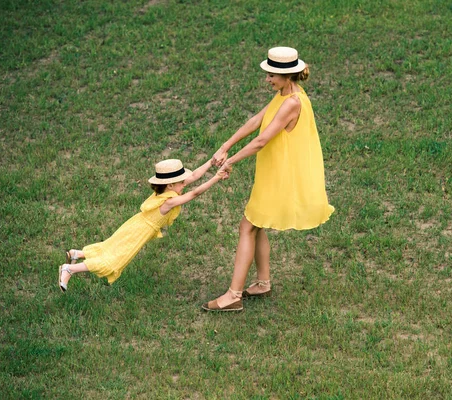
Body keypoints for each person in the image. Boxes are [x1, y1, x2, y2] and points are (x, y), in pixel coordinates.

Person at [202, 46, 335, 312]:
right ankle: (263, 283)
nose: (267, 79)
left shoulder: (292, 103)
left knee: (247, 226)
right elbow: (255, 121)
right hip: (273, 174)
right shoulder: (286, 95)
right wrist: (225, 145)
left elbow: (262, 140)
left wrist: (230, 161)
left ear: (287, 76)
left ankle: (233, 296)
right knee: (256, 224)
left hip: (279, 179)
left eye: (272, 75)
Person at [58, 158, 229, 291]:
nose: (185, 183)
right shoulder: (169, 201)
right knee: (114, 261)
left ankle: (76, 254)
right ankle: (69, 269)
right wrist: (216, 177)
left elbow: (193, 176)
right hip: (138, 232)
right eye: (181, 182)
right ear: (170, 185)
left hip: (135, 224)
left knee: (108, 247)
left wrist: (211, 162)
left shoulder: (164, 192)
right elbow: (194, 193)